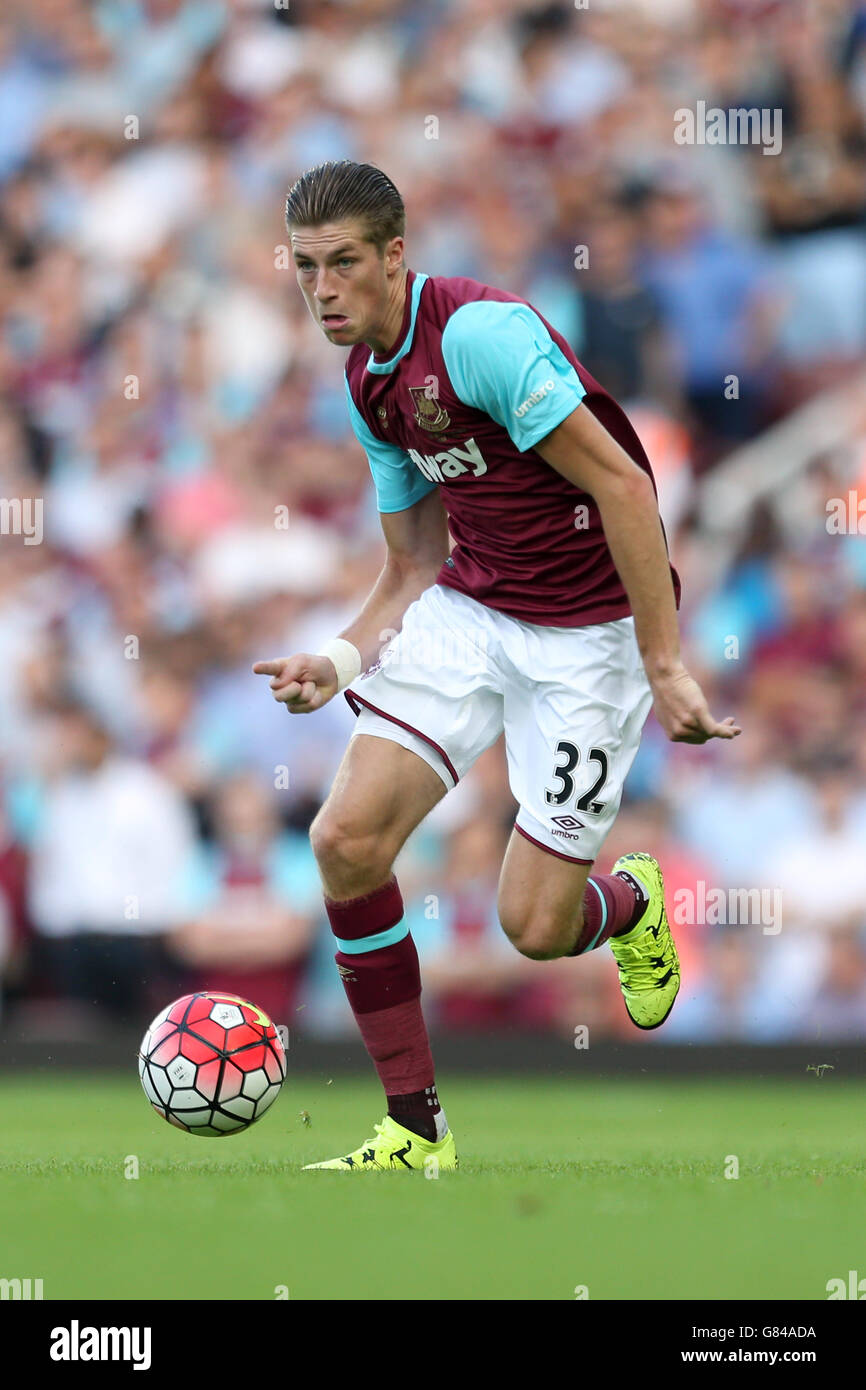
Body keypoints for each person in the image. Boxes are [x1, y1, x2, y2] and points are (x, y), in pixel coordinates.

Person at [254, 161, 740, 1172]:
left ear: (394, 256)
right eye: (305, 268)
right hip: (471, 609)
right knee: (344, 840)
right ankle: (412, 1130)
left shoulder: (477, 335)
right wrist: (338, 657)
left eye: (342, 263)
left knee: (531, 926)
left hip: (593, 635)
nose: (323, 289)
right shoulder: (365, 383)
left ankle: (632, 903)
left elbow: (621, 484)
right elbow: (412, 562)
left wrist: (662, 661)